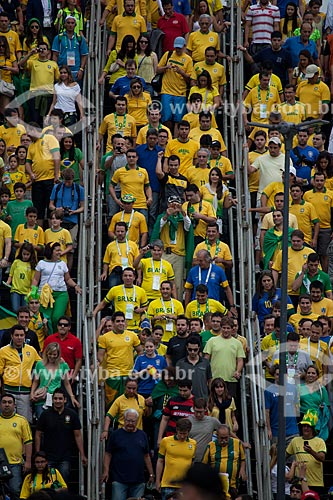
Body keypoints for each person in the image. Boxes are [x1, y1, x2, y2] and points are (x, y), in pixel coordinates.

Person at [35, 388, 88, 483]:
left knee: (63, 483)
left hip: (65, 457)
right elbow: (38, 434)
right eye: (55, 398)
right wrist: (38, 454)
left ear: (65, 400)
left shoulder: (72, 414)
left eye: (60, 399)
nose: (57, 401)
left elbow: (78, 435)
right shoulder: (45, 414)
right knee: (48, 483)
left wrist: (82, 454)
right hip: (48, 456)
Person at [101, 408, 154, 499]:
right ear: (123, 420)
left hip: (138, 480)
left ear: (137, 421)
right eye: (128, 420)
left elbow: (146, 456)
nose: (130, 423)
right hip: (119, 479)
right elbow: (108, 454)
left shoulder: (143, 435)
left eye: (133, 421)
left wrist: (151, 474)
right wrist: (106, 471)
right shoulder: (115, 434)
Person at [31, 242, 82, 332]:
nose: (60, 252)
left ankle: (56, 337)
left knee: (56, 317)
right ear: (50, 251)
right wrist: (33, 291)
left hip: (61, 294)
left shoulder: (62, 264)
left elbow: (68, 279)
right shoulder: (41, 263)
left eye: (60, 250)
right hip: (45, 295)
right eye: (57, 250)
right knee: (46, 319)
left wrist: (75, 286)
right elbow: (36, 279)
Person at [97, 311, 143, 406]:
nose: (120, 323)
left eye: (122, 321)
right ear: (113, 323)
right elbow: (100, 356)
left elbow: (140, 351)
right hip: (112, 375)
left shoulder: (132, 336)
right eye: (118, 321)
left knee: (128, 403)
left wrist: (136, 365)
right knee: (112, 403)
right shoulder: (104, 338)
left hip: (128, 374)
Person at [0, 324, 40, 422]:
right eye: (16, 335)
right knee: (6, 421)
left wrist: (57, 361)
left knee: (25, 422)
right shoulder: (3, 351)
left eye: (21, 335)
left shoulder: (31, 350)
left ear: (24, 336)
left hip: (25, 393)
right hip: (8, 392)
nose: (19, 338)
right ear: (12, 336)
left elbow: (42, 364)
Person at [25, 123, 60, 228]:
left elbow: (56, 157)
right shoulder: (31, 146)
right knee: (38, 209)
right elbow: (27, 163)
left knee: (50, 208)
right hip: (37, 182)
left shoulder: (49, 138)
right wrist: (31, 173)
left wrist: (56, 175)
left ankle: (51, 233)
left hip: (50, 180)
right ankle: (39, 234)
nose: (28, 135)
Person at [30, 342, 79, 418]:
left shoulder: (63, 365)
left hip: (56, 398)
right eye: (50, 354)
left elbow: (66, 383)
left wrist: (72, 397)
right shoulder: (40, 364)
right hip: (42, 397)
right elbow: (36, 381)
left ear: (58, 354)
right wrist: (32, 393)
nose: (52, 356)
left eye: (54, 354)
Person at [49, 167, 84, 270]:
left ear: (73, 179)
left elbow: (83, 207)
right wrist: (57, 209)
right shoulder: (57, 187)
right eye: (66, 181)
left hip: (73, 221)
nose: (67, 183)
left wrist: (74, 211)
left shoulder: (79, 189)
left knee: (70, 249)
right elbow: (50, 205)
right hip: (59, 221)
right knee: (54, 247)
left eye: (69, 181)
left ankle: (67, 273)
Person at [93, 267, 148, 332]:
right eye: (125, 276)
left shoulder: (141, 291)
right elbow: (103, 303)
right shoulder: (115, 289)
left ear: (134, 277)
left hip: (134, 327)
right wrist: (94, 312)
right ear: (122, 277)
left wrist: (140, 310)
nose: (128, 278)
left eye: (130, 276)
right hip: (118, 326)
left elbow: (146, 307)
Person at [0, 393, 32, 500]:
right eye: (4, 402)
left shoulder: (22, 421)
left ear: (14, 405)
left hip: (15, 463)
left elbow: (28, 442)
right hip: (0, 462)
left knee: (15, 490)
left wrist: (28, 461)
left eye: (10, 402)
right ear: (0, 405)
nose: (7, 405)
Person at [156, 36, 193, 131]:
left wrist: (181, 72)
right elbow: (157, 69)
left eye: (180, 48)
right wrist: (166, 68)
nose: (178, 50)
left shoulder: (188, 59)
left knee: (178, 119)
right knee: (166, 117)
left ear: (184, 47)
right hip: (166, 91)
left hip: (180, 93)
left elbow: (189, 79)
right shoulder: (168, 54)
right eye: (176, 47)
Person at [19, 41, 59, 125]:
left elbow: (58, 79)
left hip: (48, 95)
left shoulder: (53, 64)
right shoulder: (33, 62)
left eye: (44, 49)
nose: (43, 51)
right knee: (34, 120)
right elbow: (21, 64)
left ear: (48, 51)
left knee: (45, 121)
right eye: (41, 49)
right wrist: (30, 53)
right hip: (34, 95)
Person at [204, 317, 245, 398]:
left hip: (231, 379)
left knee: (229, 405)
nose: (226, 330)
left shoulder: (237, 343)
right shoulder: (212, 341)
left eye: (228, 328)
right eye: (224, 328)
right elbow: (206, 359)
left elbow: (240, 360)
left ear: (232, 329)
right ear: (221, 327)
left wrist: (238, 371)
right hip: (214, 378)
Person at [286, 410, 326, 494]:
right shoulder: (295, 441)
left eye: (308, 426)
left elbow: (322, 458)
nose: (305, 428)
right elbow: (283, 456)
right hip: (299, 483)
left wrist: (311, 451)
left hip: (316, 483)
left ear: (313, 428)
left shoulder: (320, 441)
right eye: (304, 425)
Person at [156, 418, 196, 499]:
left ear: (189, 431)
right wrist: (157, 481)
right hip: (168, 484)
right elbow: (160, 461)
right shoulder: (166, 441)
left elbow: (192, 464)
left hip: (185, 486)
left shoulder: (193, 443)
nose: (182, 436)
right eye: (180, 433)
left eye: (185, 434)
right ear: (176, 430)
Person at [203, 424, 246, 498]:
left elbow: (243, 459)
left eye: (226, 438)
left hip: (233, 485)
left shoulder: (237, 443)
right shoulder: (211, 445)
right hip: (216, 486)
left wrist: (242, 470)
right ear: (217, 435)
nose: (224, 440)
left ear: (229, 435)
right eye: (221, 438)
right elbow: (204, 464)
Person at [110, 148, 152, 219]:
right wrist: (116, 199)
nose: (131, 158)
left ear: (137, 158)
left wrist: (150, 197)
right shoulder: (119, 172)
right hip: (126, 205)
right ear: (126, 158)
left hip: (141, 205)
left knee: (143, 229)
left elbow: (147, 187)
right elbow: (111, 186)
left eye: (133, 157)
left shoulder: (143, 171)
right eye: (129, 157)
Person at [264, 365, 299, 443]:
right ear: (274, 376)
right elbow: (267, 412)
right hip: (276, 431)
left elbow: (295, 407)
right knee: (276, 454)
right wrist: (269, 429)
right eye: (277, 374)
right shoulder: (268, 391)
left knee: (294, 455)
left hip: (292, 430)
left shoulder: (293, 388)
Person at [43, 316, 83, 385]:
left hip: (68, 376)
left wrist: (73, 375)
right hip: (50, 375)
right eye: (60, 324)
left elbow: (78, 360)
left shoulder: (76, 341)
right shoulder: (49, 339)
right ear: (57, 326)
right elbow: (43, 356)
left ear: (69, 327)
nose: (62, 326)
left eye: (65, 325)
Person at [100, 221, 140, 288]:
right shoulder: (110, 246)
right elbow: (106, 262)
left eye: (122, 231)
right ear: (115, 232)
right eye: (118, 231)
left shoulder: (133, 245)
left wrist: (139, 277)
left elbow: (138, 263)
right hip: (115, 271)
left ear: (126, 232)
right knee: (113, 291)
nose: (120, 233)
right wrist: (104, 272)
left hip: (129, 272)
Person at [157, 379, 195, 445]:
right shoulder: (172, 401)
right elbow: (164, 419)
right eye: (180, 390)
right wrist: (159, 438)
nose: (182, 393)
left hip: (188, 439)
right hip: (171, 437)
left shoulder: (196, 402)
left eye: (185, 391)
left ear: (191, 388)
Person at [52, 15, 88, 82]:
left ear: (75, 25)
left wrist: (81, 69)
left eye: (72, 23)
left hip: (75, 71)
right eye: (68, 23)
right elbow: (55, 55)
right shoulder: (58, 38)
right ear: (65, 24)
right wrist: (56, 70)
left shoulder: (79, 38)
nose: (70, 25)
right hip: (62, 71)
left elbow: (84, 55)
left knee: (75, 91)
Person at [6, 241, 36, 312]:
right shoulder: (16, 262)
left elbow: (33, 280)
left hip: (26, 292)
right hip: (15, 290)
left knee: (25, 311)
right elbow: (11, 274)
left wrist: (31, 292)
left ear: (31, 254)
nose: (25, 256)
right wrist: (8, 282)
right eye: (24, 254)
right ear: (21, 253)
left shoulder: (32, 265)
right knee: (15, 309)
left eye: (27, 254)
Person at [188, 397, 220, 462]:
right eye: (196, 412)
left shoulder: (212, 421)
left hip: (206, 460)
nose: (198, 414)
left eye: (200, 412)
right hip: (190, 459)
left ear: (205, 409)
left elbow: (226, 431)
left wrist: (241, 442)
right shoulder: (188, 421)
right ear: (193, 408)